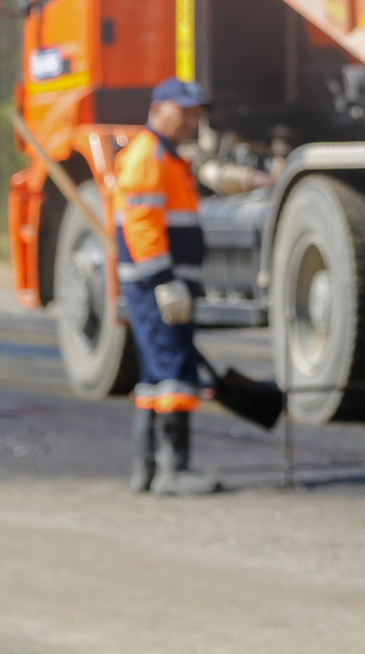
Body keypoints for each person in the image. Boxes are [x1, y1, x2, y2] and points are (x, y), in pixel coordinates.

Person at [117, 77, 221, 496]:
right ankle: (173, 470)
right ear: (159, 109)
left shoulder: (166, 155)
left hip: (162, 284)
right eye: (185, 111)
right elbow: (141, 224)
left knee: (157, 374)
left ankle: (145, 469)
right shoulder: (148, 155)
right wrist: (163, 281)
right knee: (175, 372)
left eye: (196, 113)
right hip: (159, 285)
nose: (192, 120)